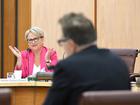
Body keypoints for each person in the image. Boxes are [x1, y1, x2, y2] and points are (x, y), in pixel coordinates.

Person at [43, 13, 130, 105]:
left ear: (71, 44)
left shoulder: (66, 67)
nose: (62, 46)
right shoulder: (119, 63)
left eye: (61, 42)